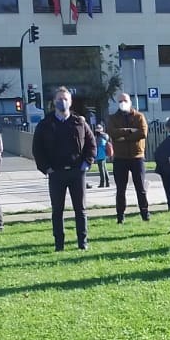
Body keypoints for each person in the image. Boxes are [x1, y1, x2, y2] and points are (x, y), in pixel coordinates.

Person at [31, 86, 96, 252]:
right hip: (56, 173)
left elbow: (91, 144)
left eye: (65, 99)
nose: (62, 102)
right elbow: (37, 149)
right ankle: (59, 244)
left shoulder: (79, 122)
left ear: (71, 101)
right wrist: (46, 168)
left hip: (77, 172)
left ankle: (83, 242)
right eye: (59, 99)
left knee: (80, 209)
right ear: (54, 102)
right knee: (57, 210)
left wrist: (86, 164)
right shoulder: (45, 124)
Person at [107, 94, 153, 222]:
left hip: (137, 157)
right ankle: (120, 216)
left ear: (130, 102)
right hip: (120, 158)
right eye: (120, 101)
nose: (122, 103)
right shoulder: (113, 118)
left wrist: (123, 136)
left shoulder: (139, 116)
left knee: (140, 188)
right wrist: (131, 131)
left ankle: (145, 213)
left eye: (125, 100)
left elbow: (142, 133)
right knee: (120, 189)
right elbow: (112, 132)